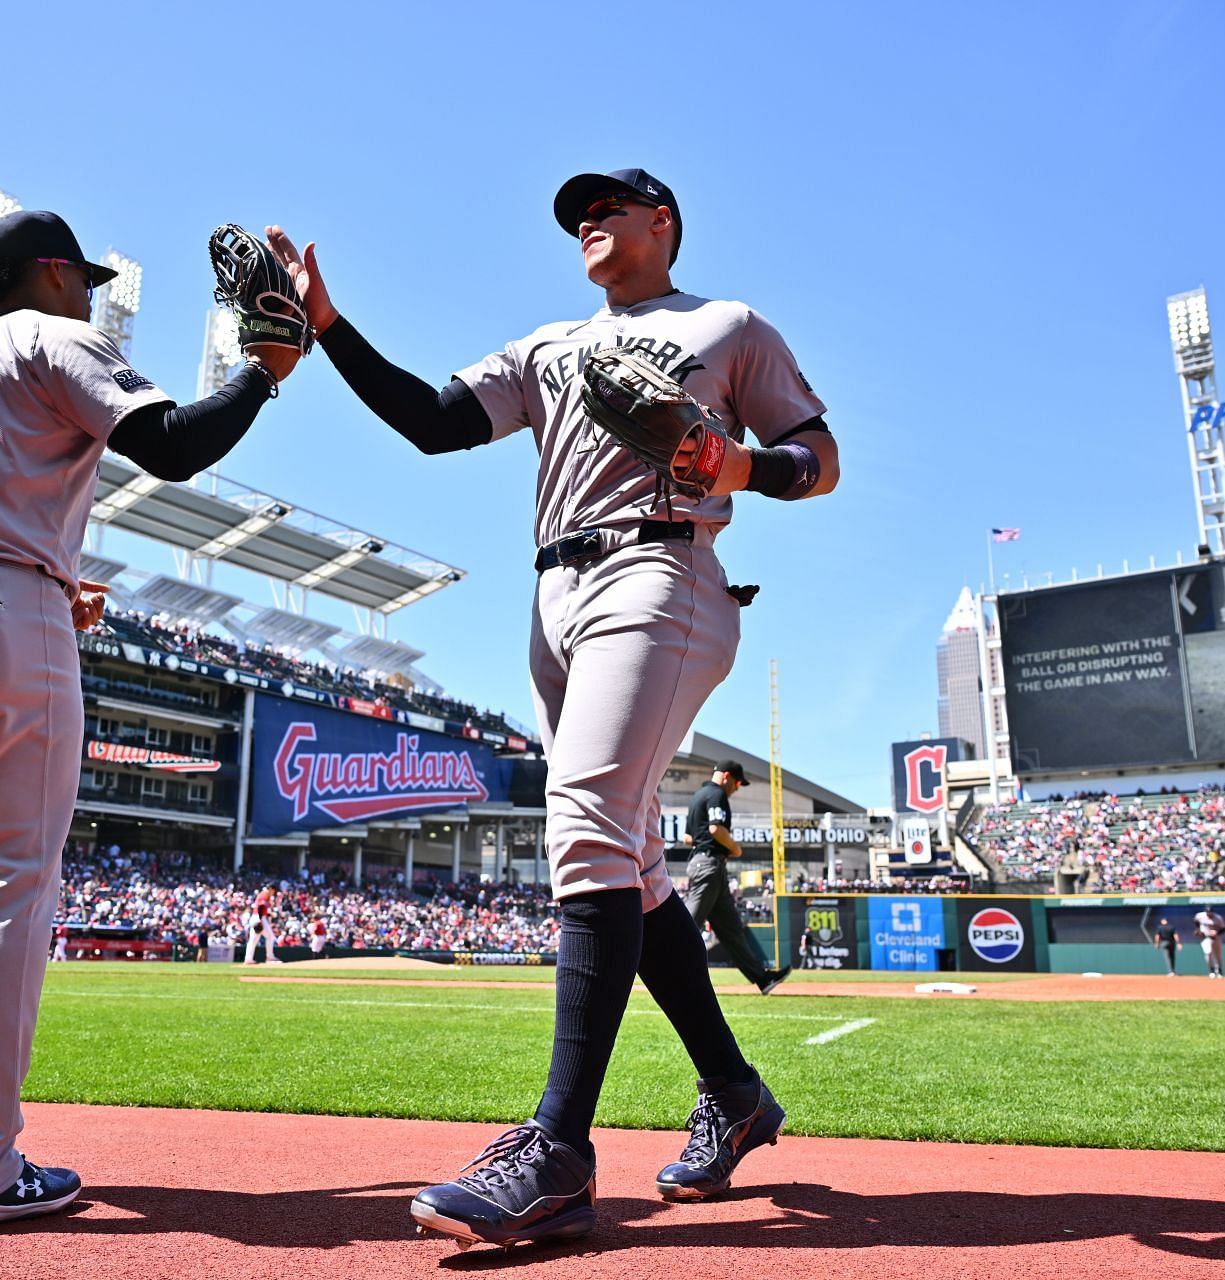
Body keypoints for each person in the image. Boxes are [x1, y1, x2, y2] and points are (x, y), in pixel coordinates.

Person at [268, 164, 839, 1250]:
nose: (585, 218)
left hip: (663, 568)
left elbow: (823, 459)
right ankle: (735, 1091)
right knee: (629, 855)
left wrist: (741, 462)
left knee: (579, 816)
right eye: (575, 211)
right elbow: (433, 422)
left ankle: (559, 1152)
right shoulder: (547, 346)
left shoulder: (729, 324)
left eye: (608, 203)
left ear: (662, 221)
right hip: (554, 590)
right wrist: (332, 327)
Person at [0, 209, 301, 1231]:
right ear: (48, 272)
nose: (93, 293)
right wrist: (264, 373)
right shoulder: (51, 333)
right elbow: (169, 445)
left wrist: (24, 566)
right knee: (11, 877)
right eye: (82, 275)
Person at [683, 761, 790, 993]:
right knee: (687, 924)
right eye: (738, 782)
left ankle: (762, 978)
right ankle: (656, 966)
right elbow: (715, 829)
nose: (737, 788)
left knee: (731, 929)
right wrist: (735, 848)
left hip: (709, 865)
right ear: (727, 777)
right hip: (708, 865)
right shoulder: (716, 794)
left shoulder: (698, 796)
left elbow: (687, 838)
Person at [1193, 906, 1225, 978]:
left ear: (1213, 912)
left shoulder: (1218, 918)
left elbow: (1224, 928)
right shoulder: (1200, 915)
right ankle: (1212, 970)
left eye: (1210, 912)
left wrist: (1217, 933)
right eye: (1208, 912)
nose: (1209, 914)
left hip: (1216, 938)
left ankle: (1219, 971)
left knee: (1218, 955)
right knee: (1208, 953)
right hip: (1206, 938)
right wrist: (1198, 929)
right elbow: (1196, 920)